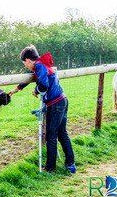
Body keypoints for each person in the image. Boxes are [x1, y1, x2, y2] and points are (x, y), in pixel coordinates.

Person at [9, 45, 76, 173]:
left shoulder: (39, 66)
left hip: (55, 104)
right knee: (62, 133)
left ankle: (50, 168)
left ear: (28, 60)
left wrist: (36, 90)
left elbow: (43, 85)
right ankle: (70, 164)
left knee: (51, 135)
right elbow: (32, 77)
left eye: (25, 63)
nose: (25, 66)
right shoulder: (41, 64)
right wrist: (16, 89)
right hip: (62, 100)